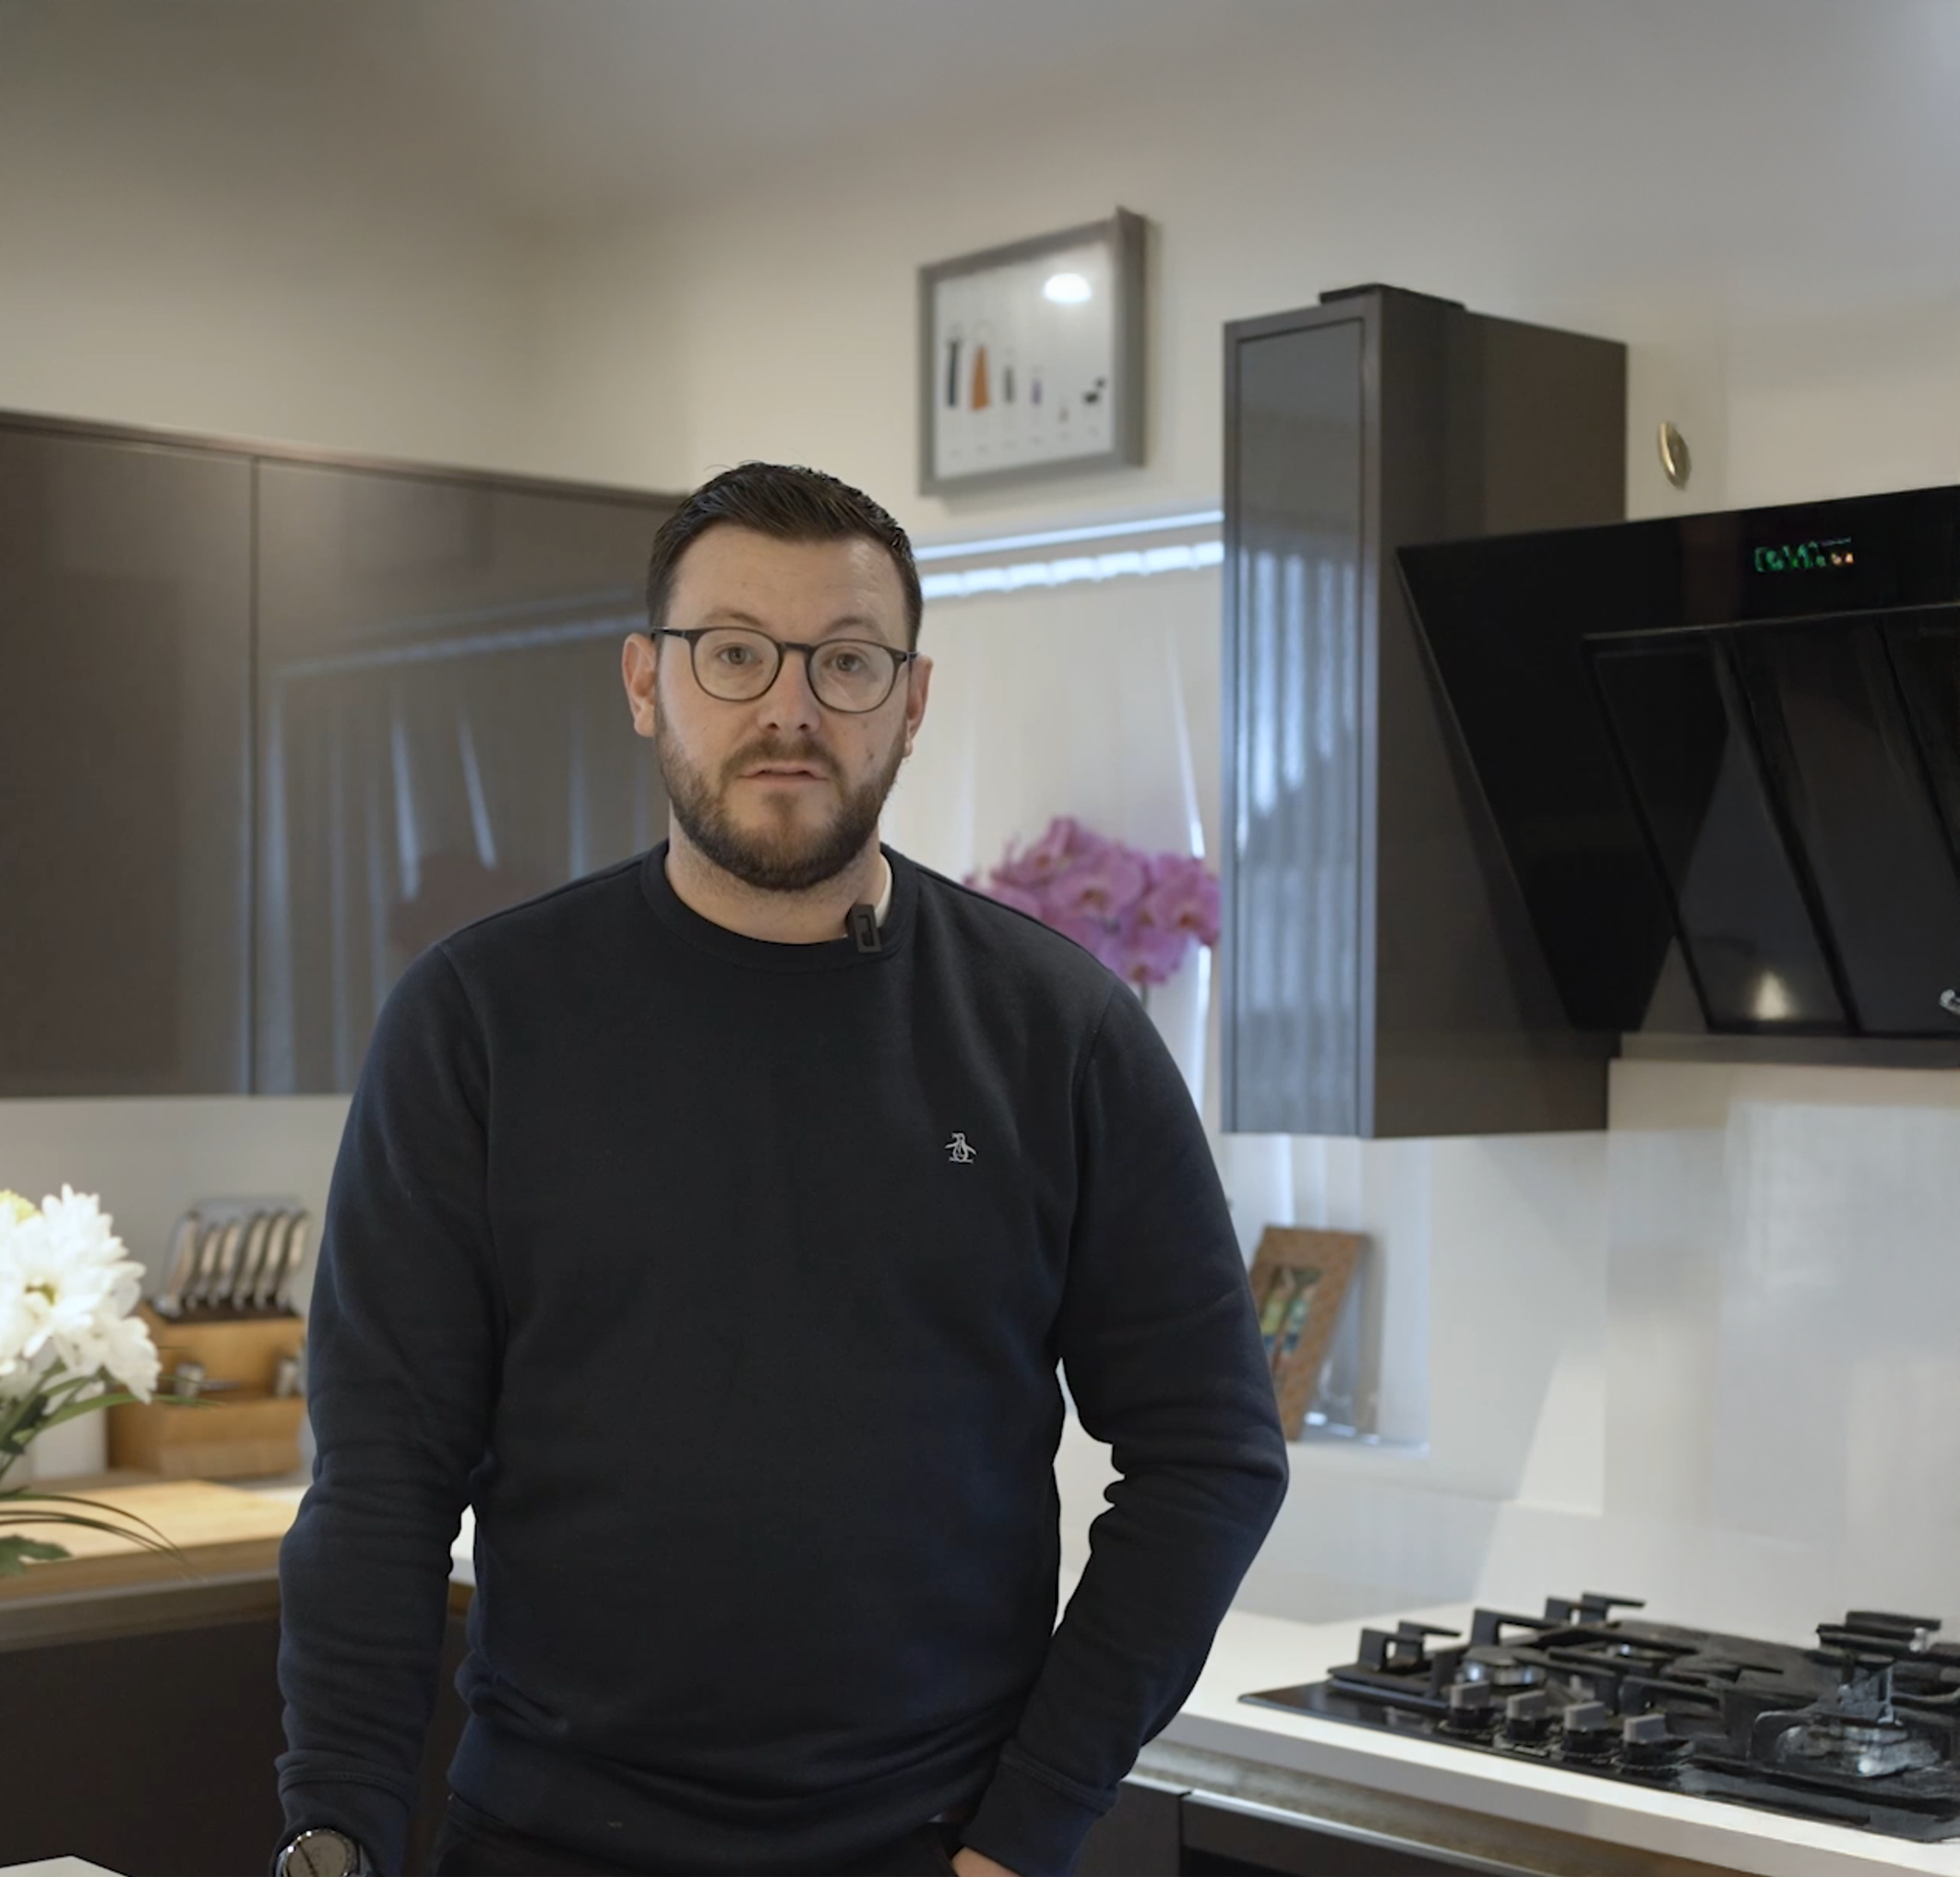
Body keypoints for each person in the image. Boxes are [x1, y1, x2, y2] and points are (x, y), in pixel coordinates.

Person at [272, 461, 1290, 1877]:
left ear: (913, 700)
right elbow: (382, 1484)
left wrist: (1028, 1831)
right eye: (734, 652)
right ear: (647, 680)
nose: (789, 707)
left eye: (848, 661)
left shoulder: (1053, 1032)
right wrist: (336, 1833)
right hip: (551, 1844)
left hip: (929, 1846)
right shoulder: (482, 1021)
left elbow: (1213, 1454)